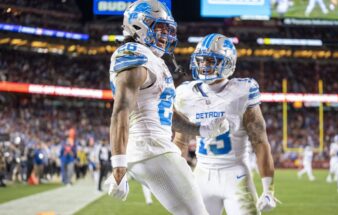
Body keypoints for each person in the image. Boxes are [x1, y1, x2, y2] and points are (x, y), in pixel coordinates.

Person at [105, 1, 229, 214]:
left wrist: (203, 130)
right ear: (138, 25)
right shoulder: (134, 54)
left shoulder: (153, 60)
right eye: (160, 28)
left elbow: (169, 115)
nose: (165, 35)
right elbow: (120, 112)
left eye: (168, 30)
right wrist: (118, 165)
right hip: (152, 149)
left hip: (153, 150)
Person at [173, 33, 278, 215]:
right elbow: (180, 142)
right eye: (202, 60)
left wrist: (268, 190)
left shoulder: (242, 91)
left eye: (211, 61)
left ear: (227, 62)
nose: (204, 65)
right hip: (201, 175)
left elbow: (260, 142)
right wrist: (175, 179)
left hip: (235, 175)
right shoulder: (185, 94)